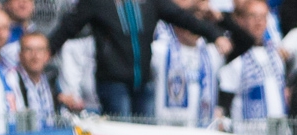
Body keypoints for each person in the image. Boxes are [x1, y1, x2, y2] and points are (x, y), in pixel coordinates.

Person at [48, 0, 238, 117]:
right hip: (113, 83)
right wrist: (47, 51)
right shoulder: (97, 3)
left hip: (144, 83)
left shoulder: (150, 2)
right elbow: (67, 27)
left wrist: (215, 34)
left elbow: (183, 18)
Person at [218, 0, 287, 135]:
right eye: (253, 16)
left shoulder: (276, 56)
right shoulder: (235, 58)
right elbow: (224, 106)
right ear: (241, 20)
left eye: (263, 17)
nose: (258, 22)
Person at [152, 0, 226, 126]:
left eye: (199, 24)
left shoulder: (212, 53)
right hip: (167, 129)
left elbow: (245, 42)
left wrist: (221, 19)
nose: (194, 29)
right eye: (190, 23)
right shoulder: (160, 50)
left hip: (202, 129)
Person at [4, 31, 62, 129]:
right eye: (29, 50)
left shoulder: (51, 80)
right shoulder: (11, 80)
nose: (35, 56)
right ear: (20, 55)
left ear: (47, 55)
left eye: (40, 50)